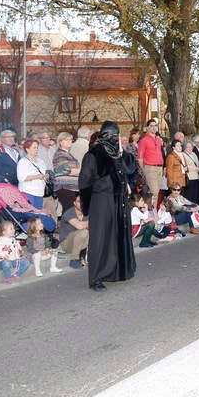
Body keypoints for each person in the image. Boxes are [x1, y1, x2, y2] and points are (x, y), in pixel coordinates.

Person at [79, 121, 136, 291]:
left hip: (118, 201)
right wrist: (87, 206)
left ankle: (115, 271)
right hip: (101, 201)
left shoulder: (117, 152)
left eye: (117, 136)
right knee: (100, 239)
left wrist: (120, 152)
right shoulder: (94, 154)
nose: (115, 139)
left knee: (116, 236)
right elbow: (84, 182)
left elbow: (130, 167)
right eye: (113, 135)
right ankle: (96, 278)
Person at [58, 194, 89, 270]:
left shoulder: (87, 212)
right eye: (79, 202)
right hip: (66, 244)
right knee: (84, 231)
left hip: (80, 243)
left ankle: (88, 256)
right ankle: (74, 260)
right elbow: (79, 226)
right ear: (74, 203)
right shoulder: (69, 213)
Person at [17, 139, 49, 210]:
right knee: (30, 215)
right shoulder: (23, 161)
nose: (37, 149)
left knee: (38, 213)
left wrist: (46, 176)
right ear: (27, 149)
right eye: (34, 148)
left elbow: (44, 173)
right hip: (27, 192)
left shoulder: (41, 161)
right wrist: (37, 177)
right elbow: (21, 178)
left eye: (37, 147)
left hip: (39, 192)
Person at [52, 132, 81, 212]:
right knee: (69, 211)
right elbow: (66, 170)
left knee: (71, 211)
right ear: (60, 142)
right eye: (66, 140)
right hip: (64, 187)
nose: (69, 141)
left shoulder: (68, 154)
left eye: (70, 139)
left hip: (71, 187)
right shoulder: (60, 154)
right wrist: (83, 169)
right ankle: (66, 225)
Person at [137, 119, 165, 199]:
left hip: (160, 168)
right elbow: (140, 158)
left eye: (155, 125)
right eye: (151, 126)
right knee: (154, 193)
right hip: (150, 168)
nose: (153, 127)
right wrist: (144, 170)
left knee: (156, 193)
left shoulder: (159, 140)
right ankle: (153, 211)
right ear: (147, 128)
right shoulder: (143, 141)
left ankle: (152, 210)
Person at [182, 141, 199, 206]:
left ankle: (194, 208)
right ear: (185, 148)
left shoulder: (194, 154)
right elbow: (184, 166)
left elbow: (198, 164)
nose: (190, 148)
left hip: (196, 177)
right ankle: (189, 208)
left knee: (195, 195)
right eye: (188, 147)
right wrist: (194, 168)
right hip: (189, 177)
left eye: (191, 147)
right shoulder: (182, 154)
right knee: (189, 195)